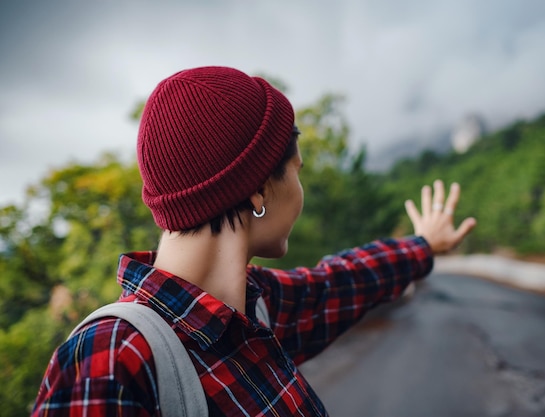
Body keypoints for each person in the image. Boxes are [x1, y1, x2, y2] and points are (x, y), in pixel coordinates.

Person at [31, 66, 476, 416]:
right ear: (258, 188)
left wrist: (423, 245)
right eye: (297, 171)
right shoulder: (107, 359)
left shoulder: (254, 309)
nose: (300, 191)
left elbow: (336, 283)